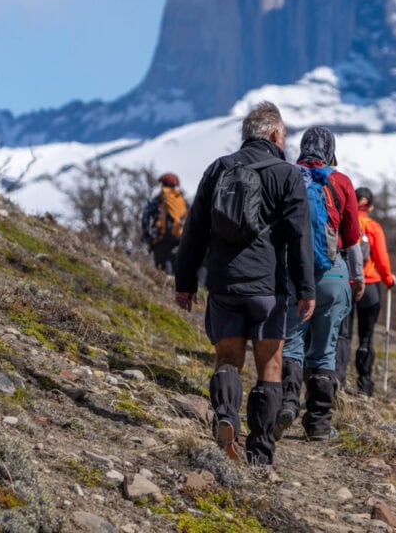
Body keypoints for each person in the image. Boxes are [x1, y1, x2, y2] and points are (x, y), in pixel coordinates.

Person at [173, 101, 315, 465]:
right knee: (270, 364)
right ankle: (261, 453)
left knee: (228, 359)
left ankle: (226, 416)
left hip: (224, 285)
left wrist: (185, 282)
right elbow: (299, 236)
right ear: (274, 134)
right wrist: (306, 288)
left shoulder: (218, 170)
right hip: (268, 289)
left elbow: (194, 233)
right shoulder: (287, 174)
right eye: (284, 135)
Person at [278, 126, 364, 441]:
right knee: (325, 349)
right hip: (332, 274)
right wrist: (356, 278)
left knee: (291, 341)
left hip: (292, 274)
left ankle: (286, 403)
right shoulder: (340, 182)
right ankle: (318, 424)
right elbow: (352, 240)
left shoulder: (286, 175)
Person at [335, 186, 396, 396]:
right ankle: (365, 385)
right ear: (370, 205)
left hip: (347, 283)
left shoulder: (345, 221)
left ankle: (338, 381)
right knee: (366, 337)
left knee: (343, 336)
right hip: (370, 286)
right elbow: (381, 256)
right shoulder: (373, 226)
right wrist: (388, 278)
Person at [149, 173, 188, 273]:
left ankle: (165, 286)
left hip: (162, 239)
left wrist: (150, 238)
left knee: (163, 268)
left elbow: (147, 218)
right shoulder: (182, 199)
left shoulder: (159, 199)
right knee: (175, 267)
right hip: (179, 238)